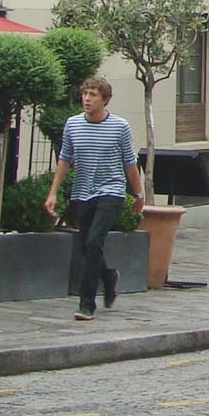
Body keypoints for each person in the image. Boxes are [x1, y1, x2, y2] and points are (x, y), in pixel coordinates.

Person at [45, 75, 144, 322]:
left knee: (93, 242)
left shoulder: (119, 126)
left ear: (105, 100)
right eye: (85, 94)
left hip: (111, 191)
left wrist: (139, 194)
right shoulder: (73, 124)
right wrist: (53, 192)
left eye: (93, 95)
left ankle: (86, 304)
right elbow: (65, 159)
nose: (87, 99)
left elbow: (130, 163)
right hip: (82, 192)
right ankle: (109, 276)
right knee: (88, 246)